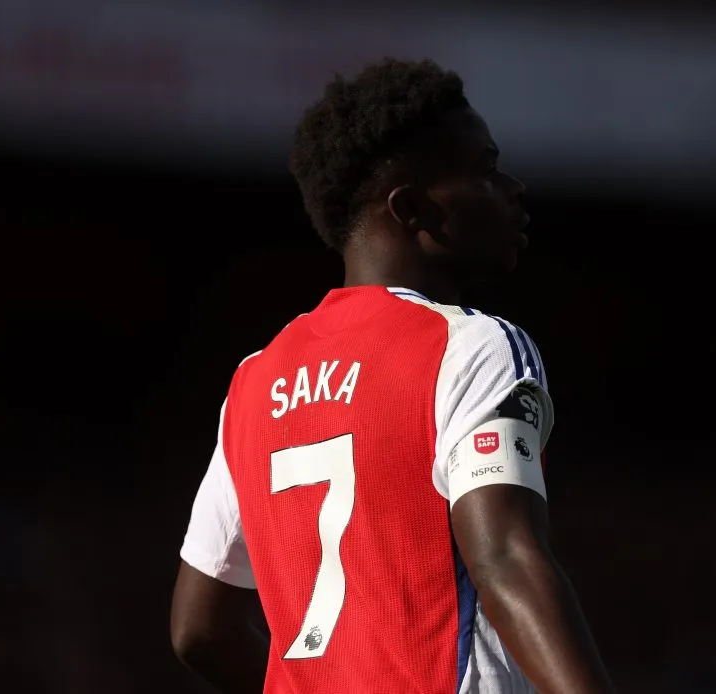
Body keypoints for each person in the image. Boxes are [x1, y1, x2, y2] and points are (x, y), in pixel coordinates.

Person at [170, 57, 616, 694]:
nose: (513, 187)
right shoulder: (473, 346)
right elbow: (505, 556)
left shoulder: (255, 381)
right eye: (486, 171)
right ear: (410, 209)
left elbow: (198, 631)